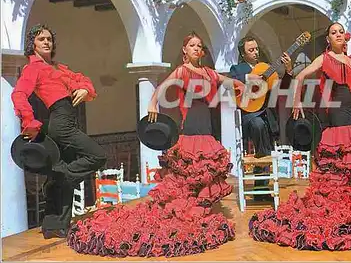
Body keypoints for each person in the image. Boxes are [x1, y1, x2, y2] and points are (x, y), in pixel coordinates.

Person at [67, 32, 245, 258]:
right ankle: (189, 215)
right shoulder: (182, 71)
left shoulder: (209, 72)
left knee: (205, 174)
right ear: (185, 50)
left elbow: (231, 82)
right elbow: (163, 87)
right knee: (188, 175)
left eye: (199, 46)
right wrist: (152, 103)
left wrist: (242, 87)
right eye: (192, 45)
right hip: (189, 128)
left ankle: (200, 213)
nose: (196, 49)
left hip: (207, 128)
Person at [249, 22, 351, 251]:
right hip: (337, 117)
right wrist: (297, 101)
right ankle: (338, 206)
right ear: (328, 39)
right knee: (341, 161)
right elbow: (299, 77)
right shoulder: (325, 59)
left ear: (345, 38)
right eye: (334, 33)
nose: (338, 35)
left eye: (341, 32)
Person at [11, 24, 107, 239]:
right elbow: (18, 95)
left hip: (69, 120)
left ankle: (56, 226)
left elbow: (82, 81)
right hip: (60, 121)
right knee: (98, 156)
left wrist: (84, 89)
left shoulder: (59, 68)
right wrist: (30, 122)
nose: (46, 42)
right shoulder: (33, 68)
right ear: (32, 45)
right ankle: (60, 177)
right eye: (41, 39)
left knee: (62, 175)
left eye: (49, 39)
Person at [229, 36, 293, 199]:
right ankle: (261, 185)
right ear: (243, 54)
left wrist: (288, 71)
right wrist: (248, 78)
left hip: (266, 116)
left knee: (264, 133)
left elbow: (282, 88)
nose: (256, 52)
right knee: (258, 125)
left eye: (257, 49)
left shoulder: (266, 69)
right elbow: (230, 83)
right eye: (251, 50)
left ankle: (261, 189)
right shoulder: (238, 69)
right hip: (249, 116)